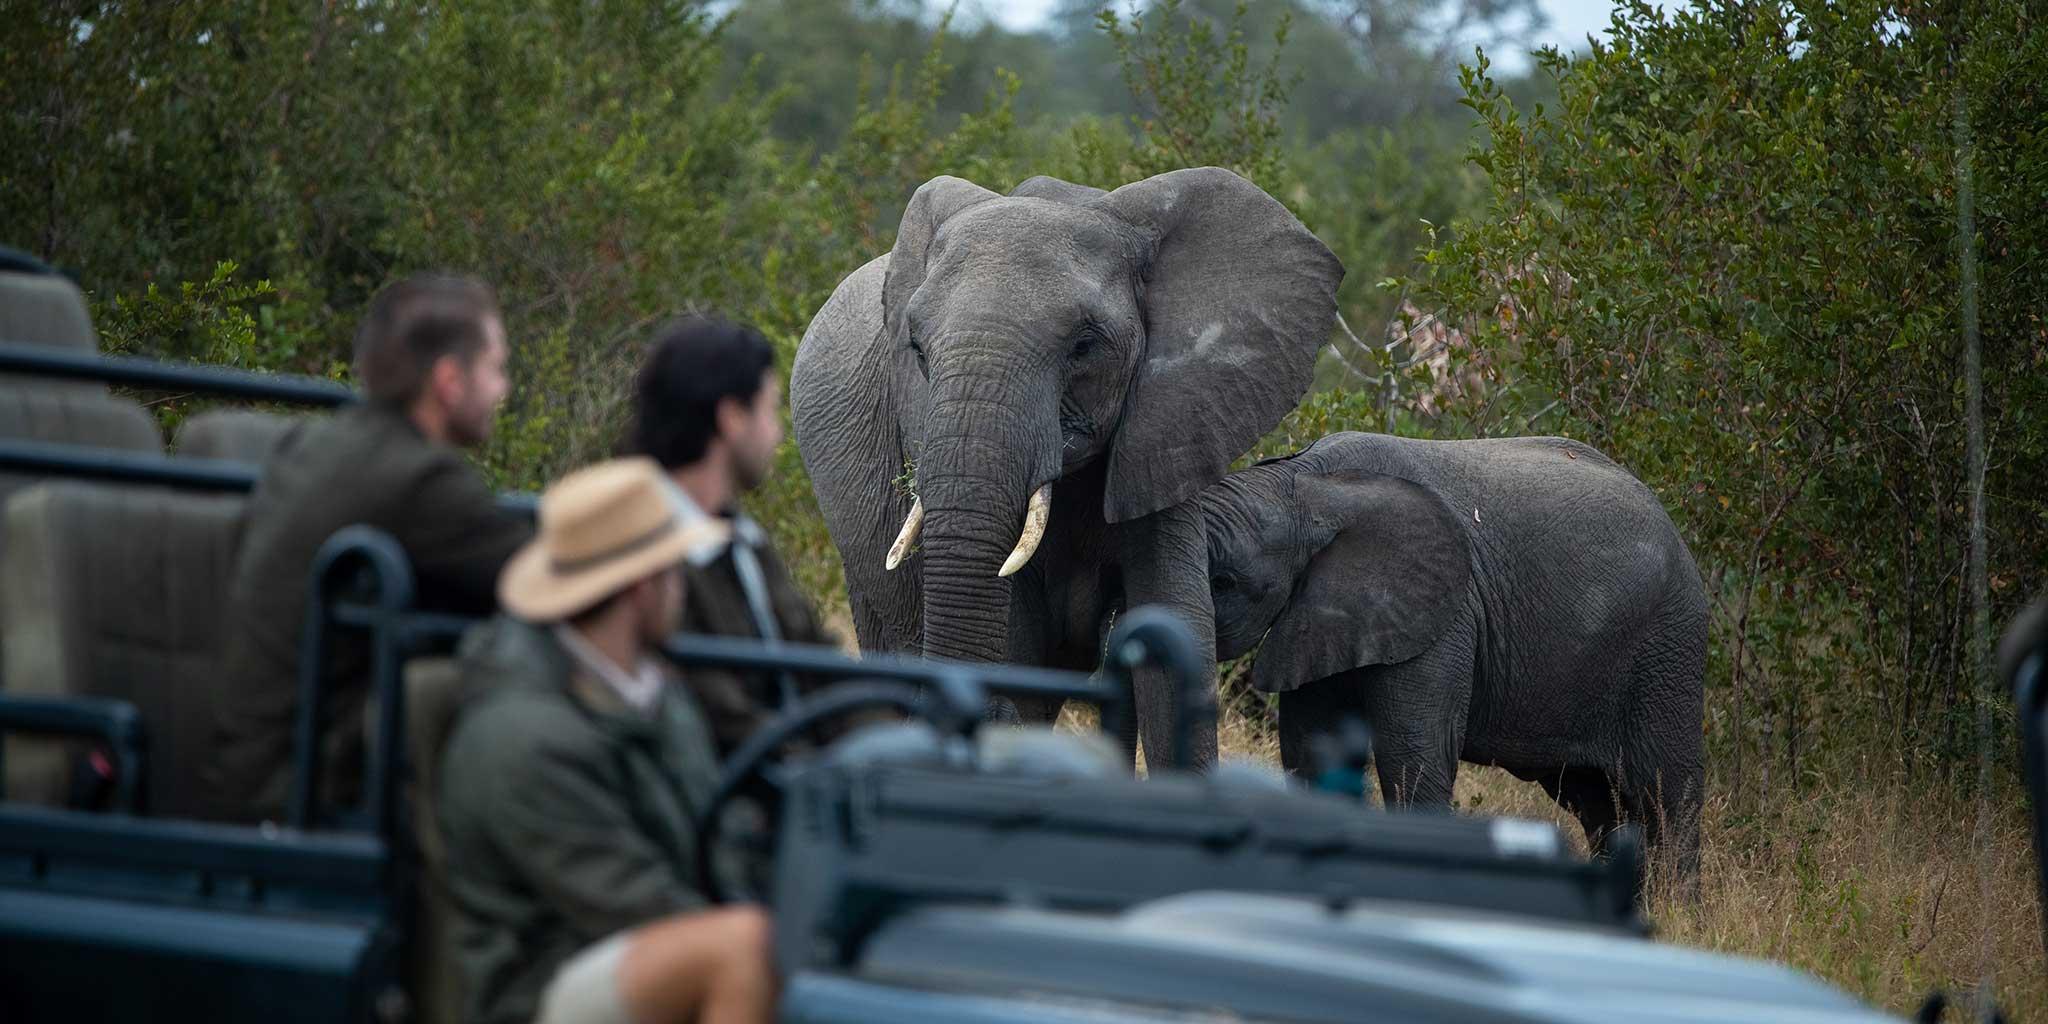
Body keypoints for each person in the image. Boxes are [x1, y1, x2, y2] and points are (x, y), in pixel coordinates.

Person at [436, 457, 773, 1024]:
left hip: (649, 940)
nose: (683, 591)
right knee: (743, 949)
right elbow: (631, 906)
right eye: (675, 570)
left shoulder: (651, 688)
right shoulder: (523, 738)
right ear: (644, 586)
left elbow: (715, 829)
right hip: (543, 982)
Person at [205, 273, 532, 823]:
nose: (503, 390)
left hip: (243, 768)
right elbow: (546, 580)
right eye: (496, 369)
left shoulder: (310, 442)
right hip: (309, 789)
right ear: (450, 380)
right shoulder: (421, 478)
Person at [623, 316, 840, 755]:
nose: (778, 434)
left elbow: (821, 664)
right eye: (769, 411)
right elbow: (721, 718)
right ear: (732, 418)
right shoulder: (643, 555)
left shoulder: (740, 539)